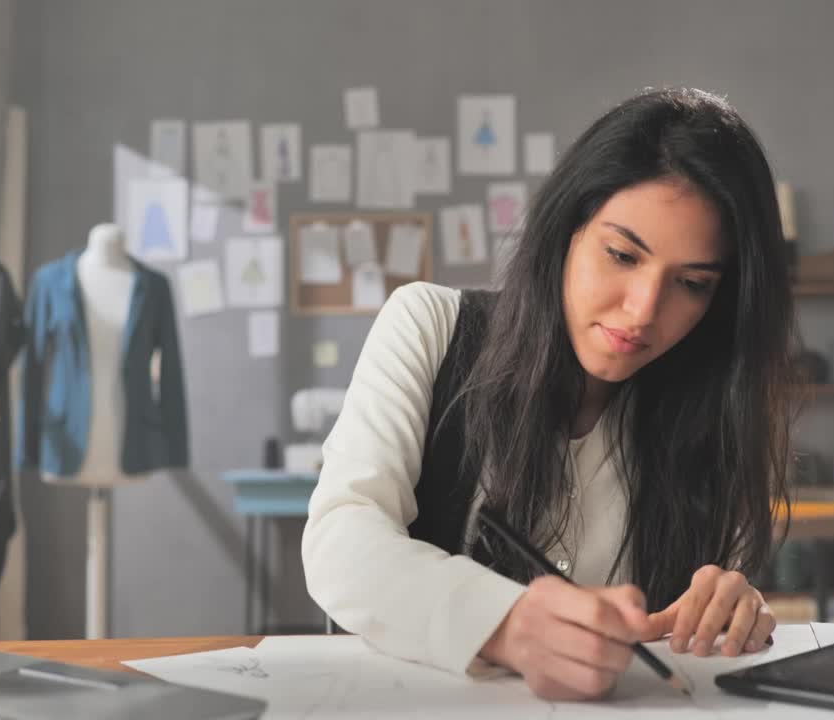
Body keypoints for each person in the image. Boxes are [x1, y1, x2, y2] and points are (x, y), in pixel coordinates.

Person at [302, 87, 797, 701]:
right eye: (621, 254)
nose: (643, 311)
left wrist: (726, 605)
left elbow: (663, 647)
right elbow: (342, 542)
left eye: (692, 283)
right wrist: (505, 625)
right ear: (565, 229)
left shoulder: (703, 414)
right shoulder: (431, 326)